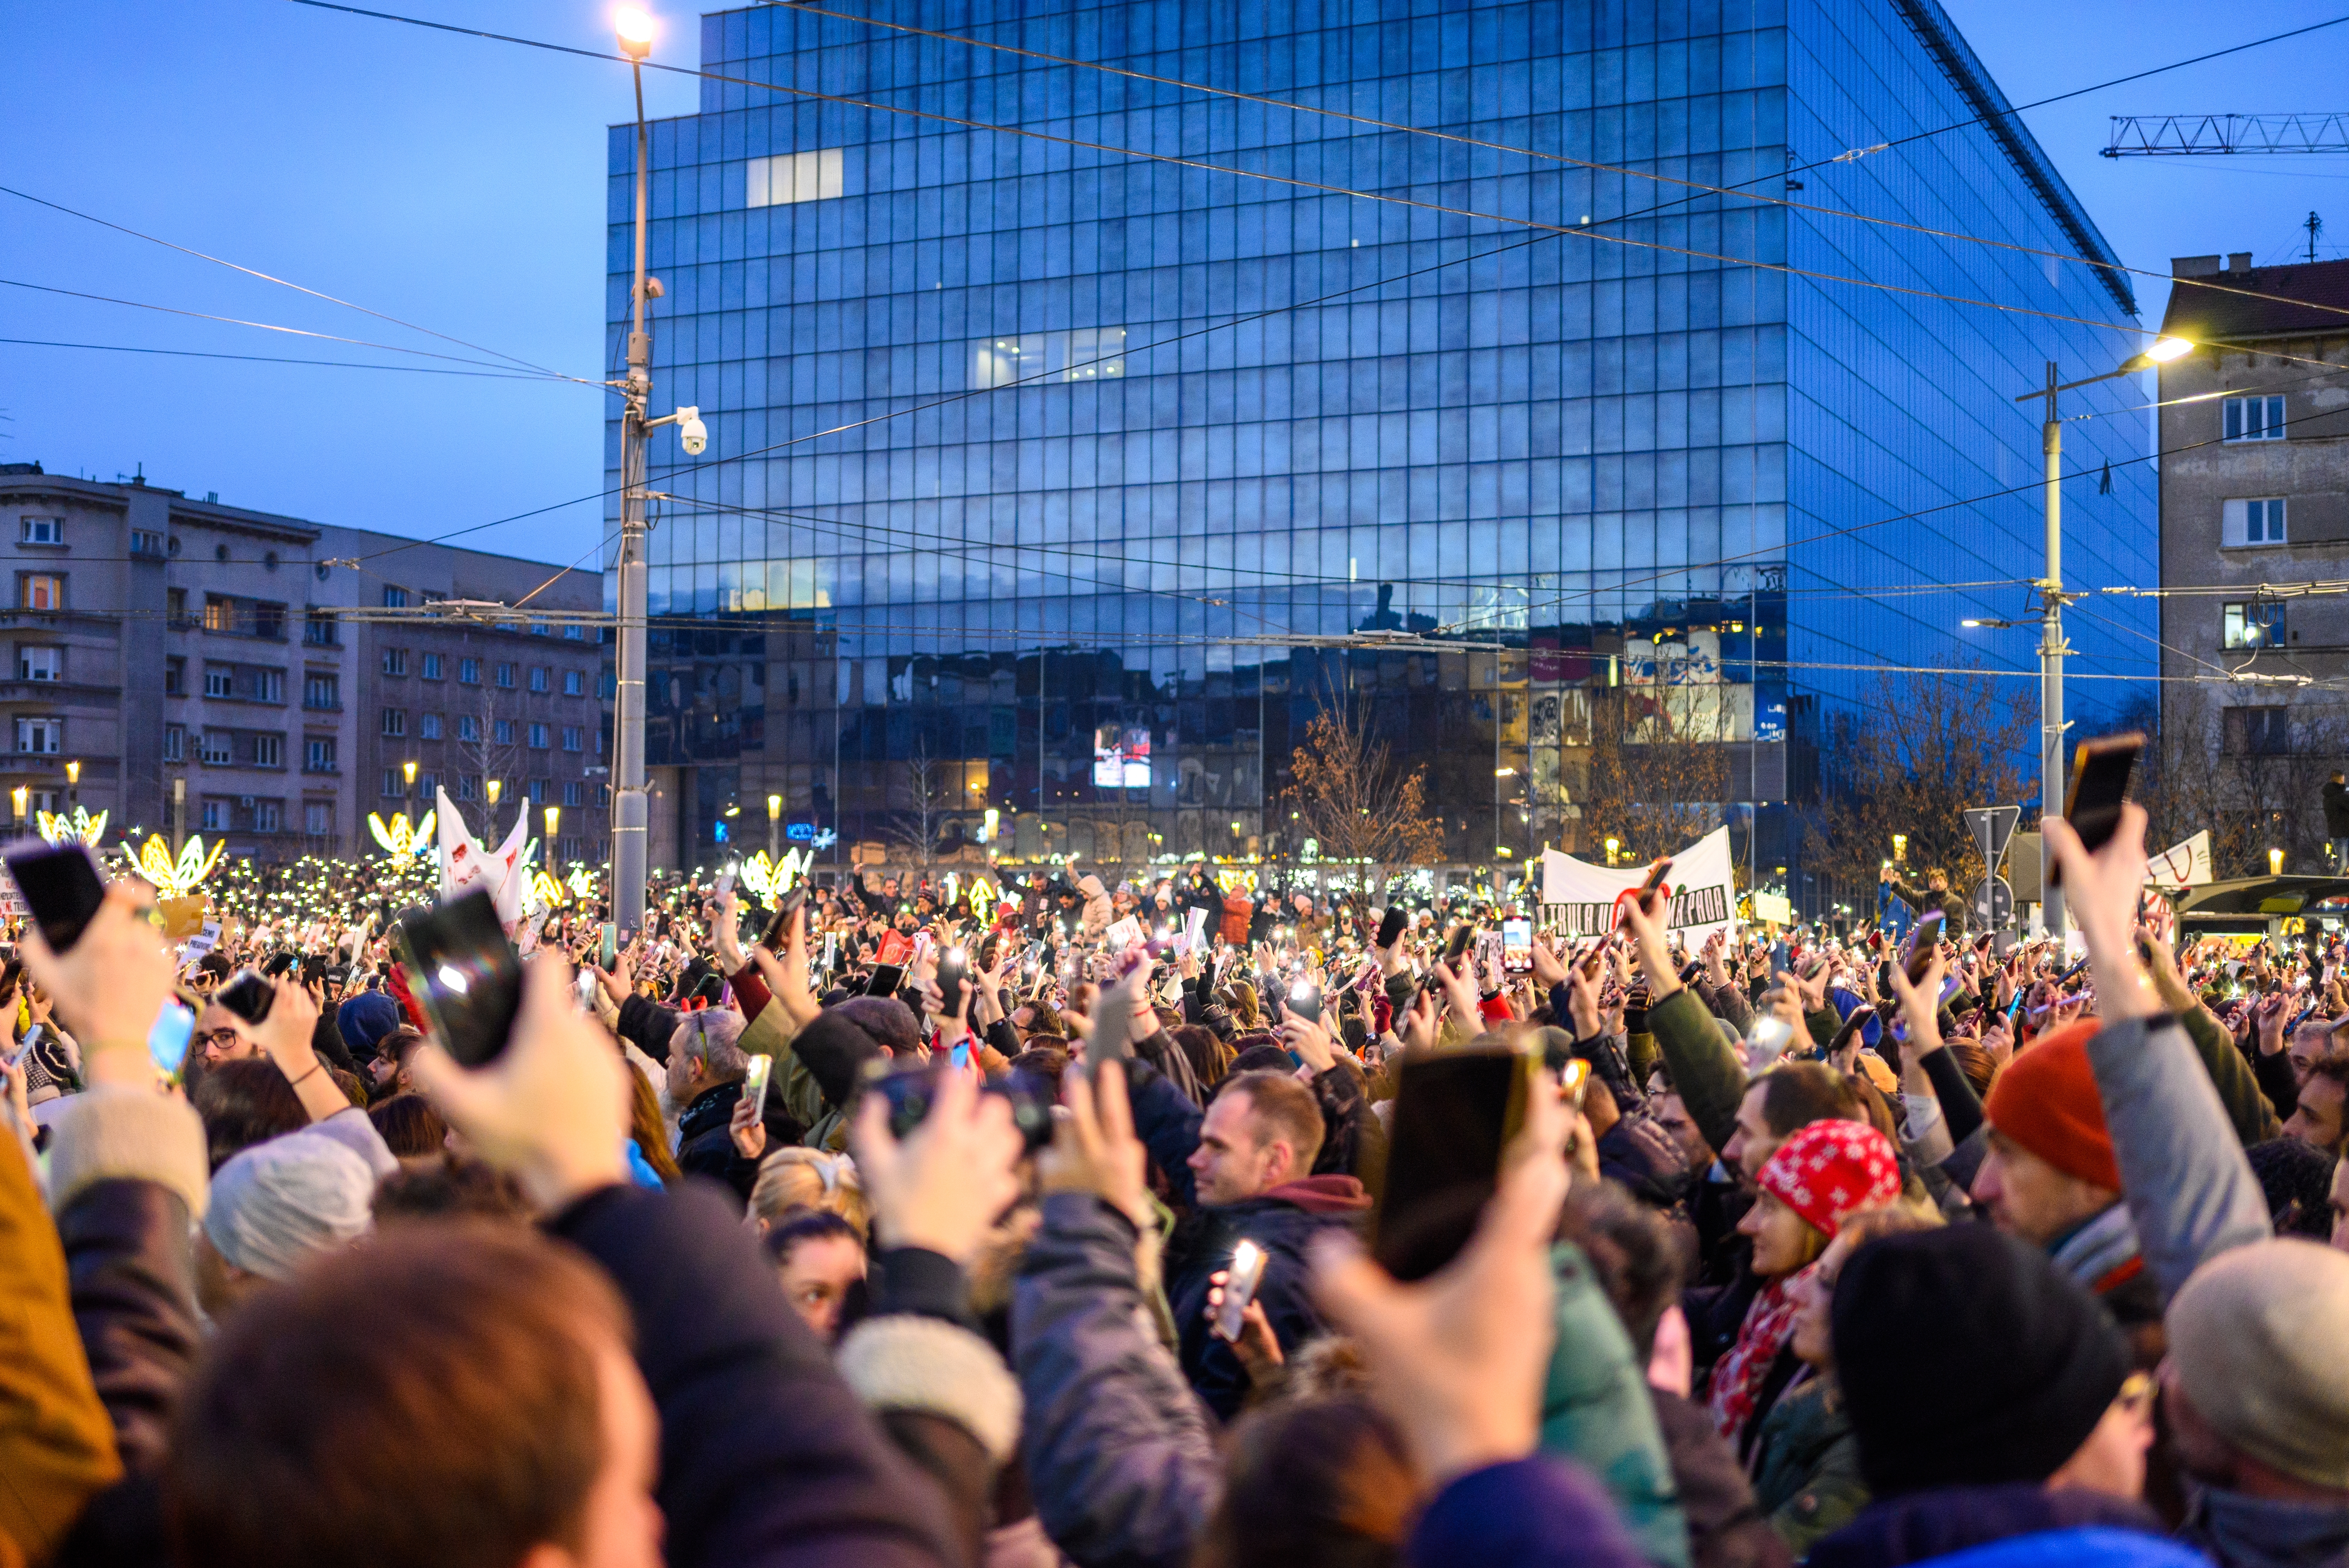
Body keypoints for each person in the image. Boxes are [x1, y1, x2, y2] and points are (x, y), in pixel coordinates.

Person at [1877, 864, 1966, 941]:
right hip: (1924, 947)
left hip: (1946, 947)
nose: (1938, 884)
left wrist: (1939, 939)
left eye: (1941, 880)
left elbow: (1958, 929)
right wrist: (1891, 880)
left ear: (1946, 884)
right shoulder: (1924, 898)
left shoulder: (1956, 903)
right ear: (1930, 885)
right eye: (1935, 881)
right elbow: (1908, 894)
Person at [2326, 769, 2349, 873]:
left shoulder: (2331, 796)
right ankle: (2333, 886)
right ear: (2340, 780)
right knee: (2343, 863)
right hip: (2340, 834)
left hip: (2340, 833)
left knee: (2343, 863)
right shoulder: (2337, 797)